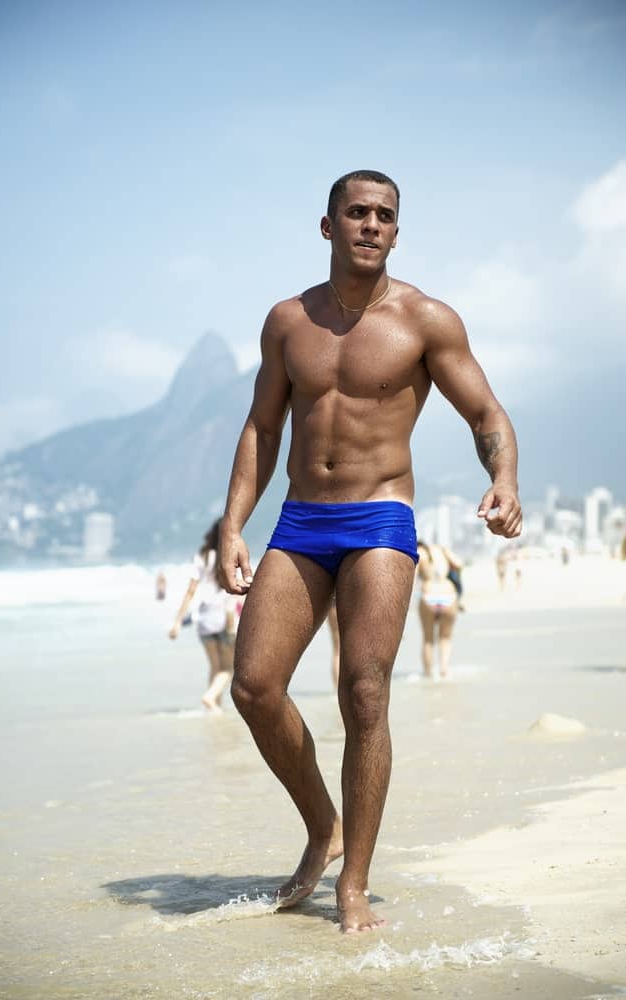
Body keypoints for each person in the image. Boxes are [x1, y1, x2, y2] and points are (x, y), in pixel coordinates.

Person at [217, 169, 521, 933]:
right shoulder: (288, 322)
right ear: (327, 226)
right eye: (356, 213)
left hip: (380, 518)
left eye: (384, 215)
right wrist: (230, 527)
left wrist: (504, 478)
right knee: (253, 687)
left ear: (396, 229)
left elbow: (485, 411)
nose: (371, 225)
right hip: (300, 522)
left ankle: (352, 884)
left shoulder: (425, 320)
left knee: (365, 691)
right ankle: (322, 825)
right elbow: (262, 428)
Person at [169, 520, 236, 714]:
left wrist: (177, 622)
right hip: (223, 618)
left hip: (203, 621)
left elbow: (190, 591)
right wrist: (231, 625)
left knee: (215, 667)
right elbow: (231, 596)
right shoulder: (229, 558)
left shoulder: (201, 558)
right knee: (228, 670)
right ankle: (209, 697)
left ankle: (215, 707)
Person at [416, 541, 462, 679]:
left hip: (429, 595)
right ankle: (444, 671)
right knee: (445, 638)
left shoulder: (419, 552)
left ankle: (428, 675)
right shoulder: (442, 549)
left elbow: (412, 575)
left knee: (428, 640)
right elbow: (459, 564)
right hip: (448, 595)